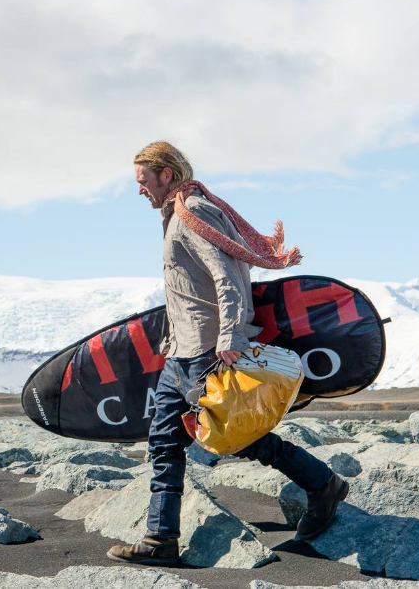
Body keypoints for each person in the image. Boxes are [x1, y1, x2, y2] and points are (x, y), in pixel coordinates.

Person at [107, 141, 348, 566]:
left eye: (143, 181)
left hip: (207, 354)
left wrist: (232, 338)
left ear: (166, 174)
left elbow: (229, 278)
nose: (140, 190)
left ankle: (322, 483)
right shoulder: (181, 212)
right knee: (164, 444)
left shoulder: (194, 212)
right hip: (180, 355)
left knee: (242, 439)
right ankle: (160, 540)